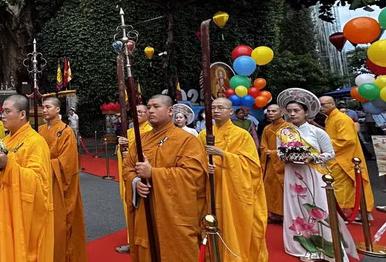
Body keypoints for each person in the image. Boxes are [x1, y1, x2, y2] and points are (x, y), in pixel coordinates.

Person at [123, 95, 207, 262]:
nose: (151, 111)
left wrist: (153, 173)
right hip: (146, 209)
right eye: (148, 107)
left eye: (156, 106)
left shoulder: (187, 140)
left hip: (174, 214)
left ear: (170, 111)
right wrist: (135, 181)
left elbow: (194, 175)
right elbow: (128, 167)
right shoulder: (141, 140)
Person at [280, 96, 358, 261]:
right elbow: (280, 153)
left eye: (296, 110)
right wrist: (286, 158)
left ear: (306, 112)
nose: (292, 114)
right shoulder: (283, 132)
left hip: (314, 174)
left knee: (319, 209)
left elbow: (330, 153)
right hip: (292, 175)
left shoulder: (317, 131)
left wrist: (313, 158)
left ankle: (327, 249)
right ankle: (303, 248)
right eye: (290, 111)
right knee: (297, 210)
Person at [0, 94, 54, 261]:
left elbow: (38, 182)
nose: (2, 116)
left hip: (24, 216)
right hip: (6, 210)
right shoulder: (5, 141)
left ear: (22, 114)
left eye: (7, 111)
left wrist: (8, 166)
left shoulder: (36, 142)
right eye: (2, 112)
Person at [199, 98, 268, 261]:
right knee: (213, 220)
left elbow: (252, 166)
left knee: (236, 224)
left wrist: (222, 155)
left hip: (234, 190)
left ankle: (236, 256)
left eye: (220, 108)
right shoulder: (203, 135)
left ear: (230, 111)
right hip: (212, 186)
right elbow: (197, 159)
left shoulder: (242, 135)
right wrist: (205, 167)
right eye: (213, 108)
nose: (216, 111)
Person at [38, 97, 87, 261]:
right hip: (42, 182)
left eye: (48, 107)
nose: (44, 110)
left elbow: (68, 163)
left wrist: (43, 164)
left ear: (57, 109)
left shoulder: (66, 131)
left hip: (59, 184)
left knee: (62, 224)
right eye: (43, 107)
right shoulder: (40, 130)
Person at [320, 96, 375, 218]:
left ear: (332, 104)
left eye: (323, 104)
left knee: (341, 186)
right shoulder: (329, 118)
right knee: (343, 186)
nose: (320, 107)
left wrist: (323, 144)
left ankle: (347, 212)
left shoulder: (342, 118)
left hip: (345, 157)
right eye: (320, 105)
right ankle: (350, 212)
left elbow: (347, 141)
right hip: (336, 157)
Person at [115, 104, 153, 254]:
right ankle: (132, 240)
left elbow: (149, 154)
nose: (139, 114)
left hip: (143, 177)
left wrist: (130, 154)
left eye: (142, 111)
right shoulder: (129, 132)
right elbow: (123, 156)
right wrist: (121, 149)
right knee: (129, 207)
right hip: (130, 176)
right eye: (137, 111)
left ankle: (146, 241)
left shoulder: (150, 131)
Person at [259, 103, 294, 224]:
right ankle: (274, 214)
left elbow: (291, 146)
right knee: (269, 187)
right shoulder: (267, 128)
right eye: (268, 111)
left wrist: (273, 153)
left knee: (283, 189)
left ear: (282, 113)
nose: (270, 113)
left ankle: (286, 214)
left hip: (283, 163)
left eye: (274, 111)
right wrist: (266, 152)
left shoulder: (288, 127)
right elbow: (263, 145)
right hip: (270, 163)